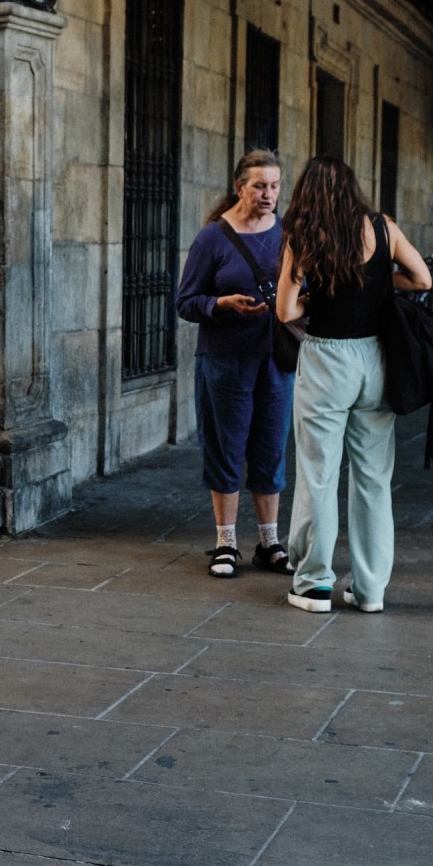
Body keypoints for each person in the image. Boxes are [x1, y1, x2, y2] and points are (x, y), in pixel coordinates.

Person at [275, 156, 431, 613]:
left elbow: (285, 312)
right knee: (373, 479)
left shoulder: (303, 236)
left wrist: (313, 294)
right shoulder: (382, 228)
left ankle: (314, 583)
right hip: (375, 358)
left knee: (318, 475)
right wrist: (382, 284)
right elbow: (422, 277)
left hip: (326, 358)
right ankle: (370, 591)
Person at [175, 149, 294, 579]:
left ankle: (269, 542)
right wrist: (221, 304)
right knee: (225, 447)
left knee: (270, 447)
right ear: (239, 186)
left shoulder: (287, 234)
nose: (269, 194)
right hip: (225, 361)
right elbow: (185, 303)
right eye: (260, 185)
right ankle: (226, 543)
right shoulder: (213, 238)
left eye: (275, 186)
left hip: (276, 360)